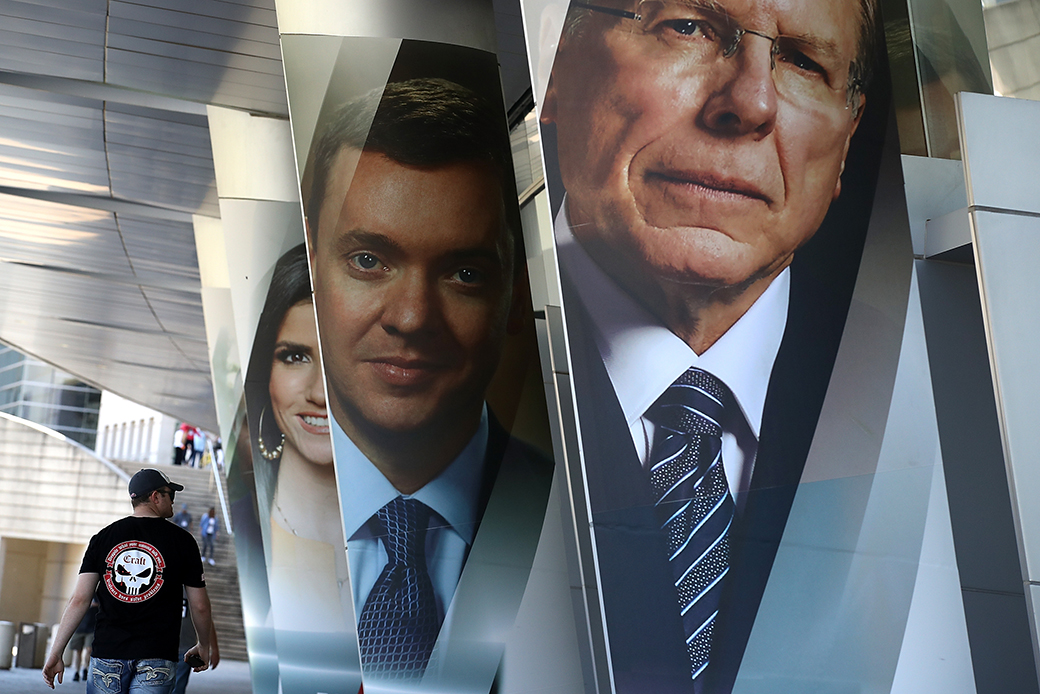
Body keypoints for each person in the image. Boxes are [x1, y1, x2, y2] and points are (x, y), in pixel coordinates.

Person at [539, 0, 882, 691]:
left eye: (803, 61)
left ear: (846, 143)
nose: (751, 101)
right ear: (555, 66)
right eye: (688, 27)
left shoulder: (935, 412)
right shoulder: (420, 366)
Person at [307, 77, 553, 685]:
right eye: (369, 261)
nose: (412, 317)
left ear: (517, 296)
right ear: (310, 272)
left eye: (464, 273)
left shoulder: (575, 520)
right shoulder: (269, 508)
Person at [244, 243, 360, 692]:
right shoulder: (247, 527)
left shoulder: (414, 534)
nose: (318, 391)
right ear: (265, 371)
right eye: (294, 356)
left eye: (338, 359)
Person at [43, 468, 215, 692]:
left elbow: (79, 599)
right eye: (170, 494)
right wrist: (204, 644)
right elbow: (200, 605)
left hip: (107, 653)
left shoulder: (103, 538)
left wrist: (56, 651)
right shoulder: (183, 542)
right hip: (157, 656)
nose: (173, 501)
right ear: (155, 496)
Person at [65, 599, 98, 682]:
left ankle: (85, 669)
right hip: (79, 627)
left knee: (89, 649)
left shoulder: (97, 595)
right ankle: (76, 671)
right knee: (77, 651)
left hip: (92, 627)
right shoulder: (80, 593)